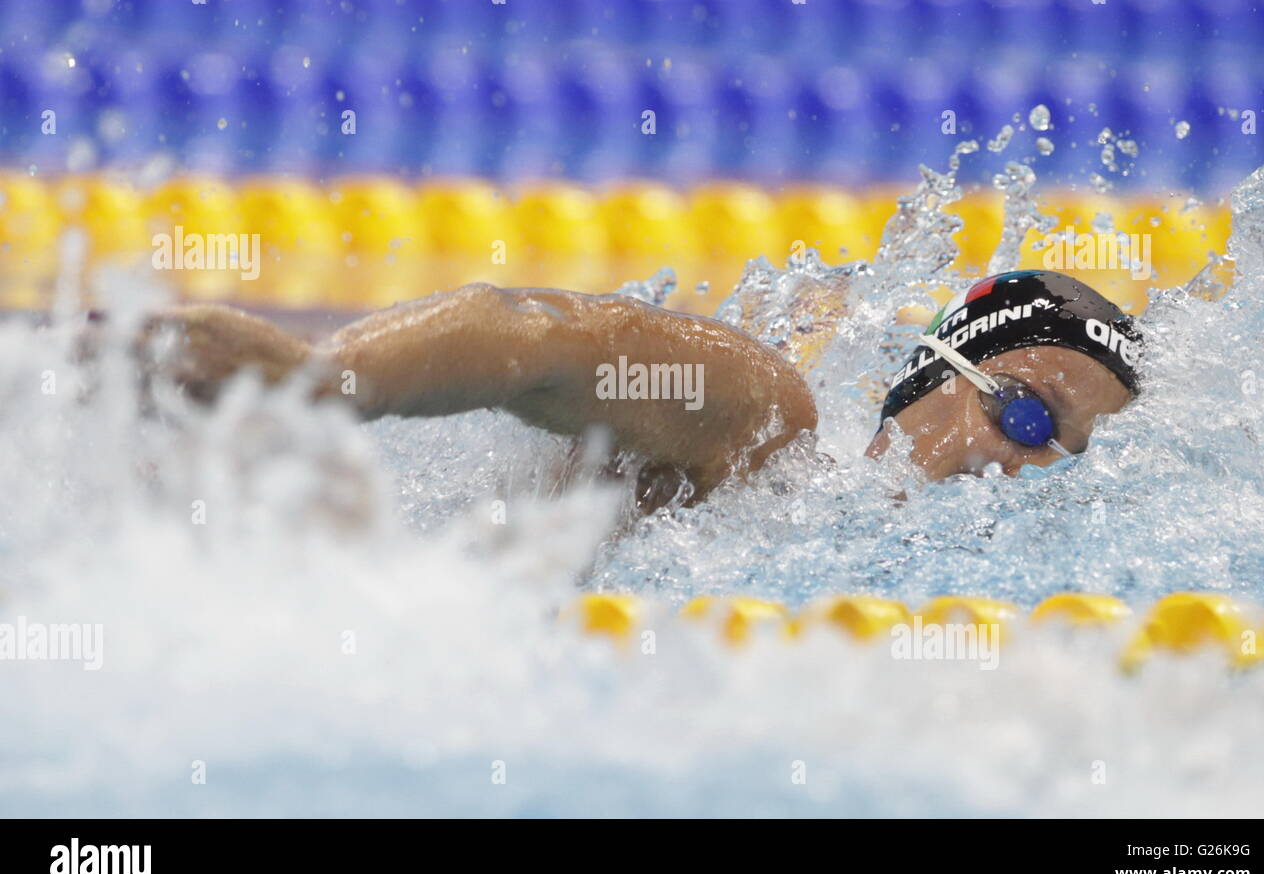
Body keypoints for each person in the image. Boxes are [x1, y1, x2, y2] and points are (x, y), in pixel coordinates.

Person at [133, 269, 1142, 511]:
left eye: (1070, 451)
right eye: (1025, 410)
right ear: (934, 369)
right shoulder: (767, 425)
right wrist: (319, 378)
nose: (1029, 460)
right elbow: (540, 338)